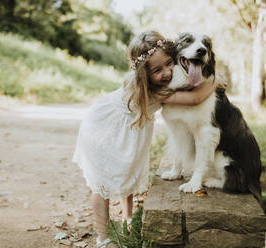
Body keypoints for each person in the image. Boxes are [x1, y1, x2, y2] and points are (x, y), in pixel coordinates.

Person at [72, 30, 225, 248]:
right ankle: (103, 238)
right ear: (144, 73)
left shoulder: (165, 82)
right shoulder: (151, 91)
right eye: (157, 70)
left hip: (129, 130)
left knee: (128, 172)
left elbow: (192, 85)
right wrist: (215, 83)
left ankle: (127, 222)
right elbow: (195, 98)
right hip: (104, 129)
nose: (166, 73)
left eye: (169, 63)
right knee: (101, 186)